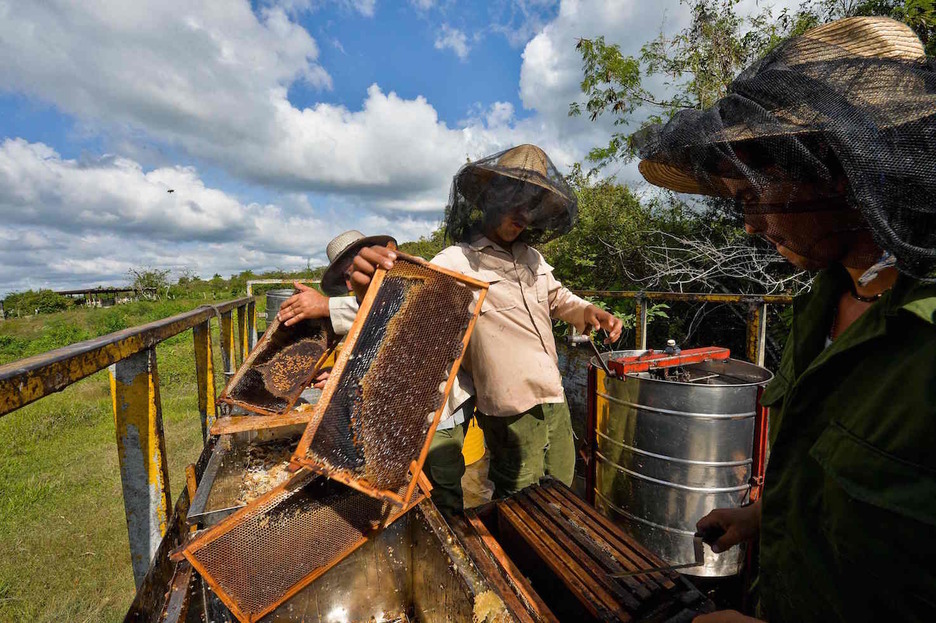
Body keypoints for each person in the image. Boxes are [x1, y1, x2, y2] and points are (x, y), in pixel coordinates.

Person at [633, 17, 936, 622]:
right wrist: (760, 516)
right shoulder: (822, 303)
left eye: (752, 195)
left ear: (839, 166)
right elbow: (838, 475)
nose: (748, 225)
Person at [350, 144, 623, 504]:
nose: (522, 214)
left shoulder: (532, 259)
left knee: (560, 486)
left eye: (531, 205)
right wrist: (368, 287)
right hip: (508, 408)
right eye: (515, 200)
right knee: (519, 498)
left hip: (552, 396)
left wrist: (590, 312)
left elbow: (558, 298)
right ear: (491, 198)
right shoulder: (457, 261)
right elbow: (411, 299)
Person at [276, 230, 394, 388]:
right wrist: (345, 377)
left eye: (356, 271)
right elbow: (385, 364)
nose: (350, 284)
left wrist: (325, 305)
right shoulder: (358, 312)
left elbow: (390, 313)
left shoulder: (416, 293)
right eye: (347, 277)